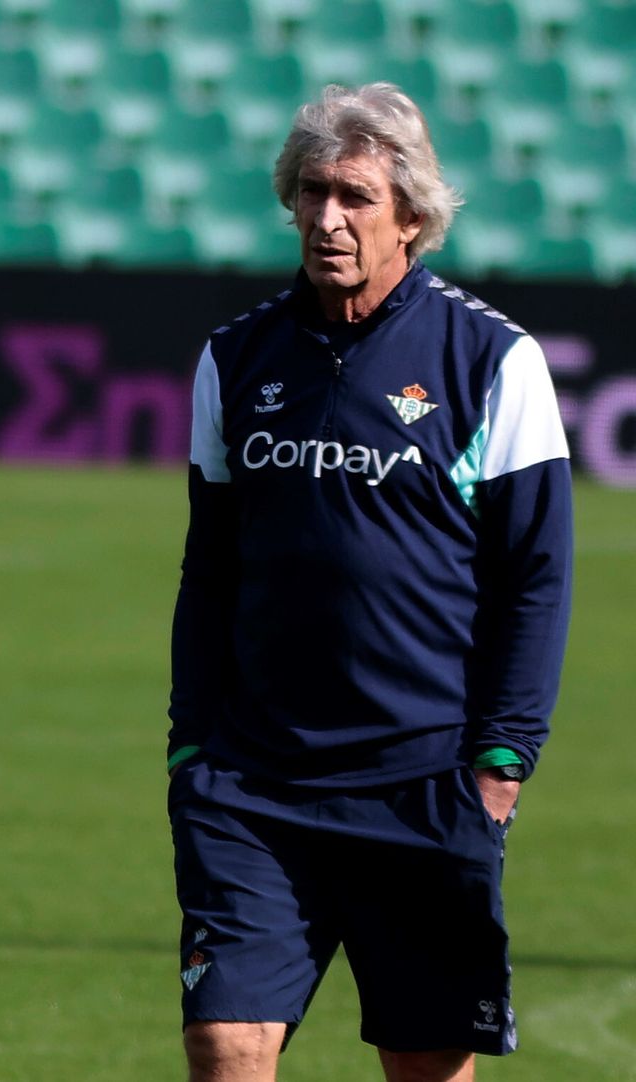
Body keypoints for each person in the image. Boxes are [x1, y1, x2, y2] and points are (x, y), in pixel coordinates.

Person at [167, 83, 573, 1081]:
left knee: (423, 1063)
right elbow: (207, 565)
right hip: (254, 783)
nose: (324, 219)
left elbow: (536, 575)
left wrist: (500, 762)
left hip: (423, 781)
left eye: (352, 196)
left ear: (412, 215)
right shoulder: (235, 356)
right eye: (309, 193)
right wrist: (189, 740)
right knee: (225, 1043)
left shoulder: (492, 361)